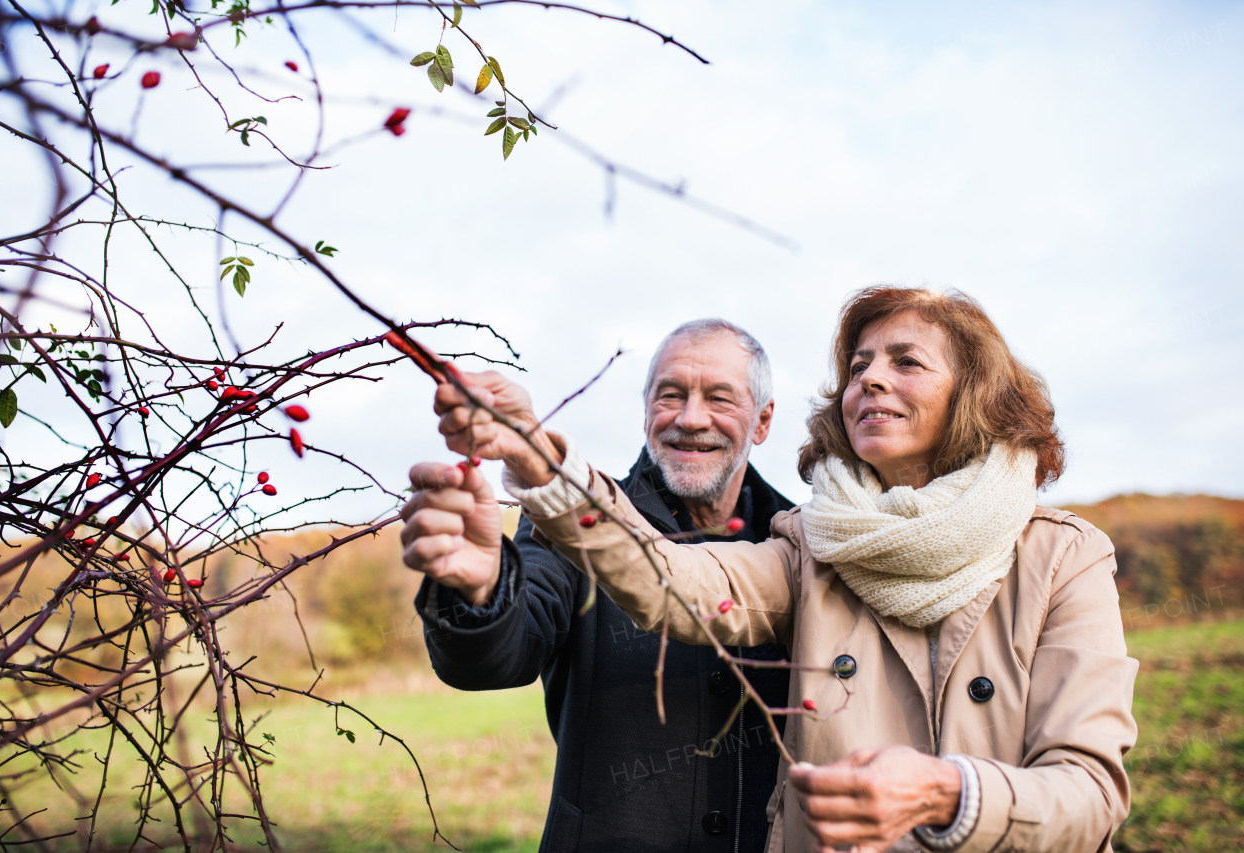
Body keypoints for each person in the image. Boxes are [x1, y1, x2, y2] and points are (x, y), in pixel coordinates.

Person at [408, 287, 1139, 853]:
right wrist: (539, 465)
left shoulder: (1061, 556)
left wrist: (949, 791)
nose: (869, 380)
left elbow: (1090, 788)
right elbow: (674, 583)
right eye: (858, 367)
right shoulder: (813, 546)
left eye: (905, 361)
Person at [400, 320, 796, 853]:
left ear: (763, 420)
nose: (689, 418)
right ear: (646, 410)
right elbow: (501, 656)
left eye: (719, 398)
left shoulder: (798, 543)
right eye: (670, 395)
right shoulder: (570, 520)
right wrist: (479, 591)